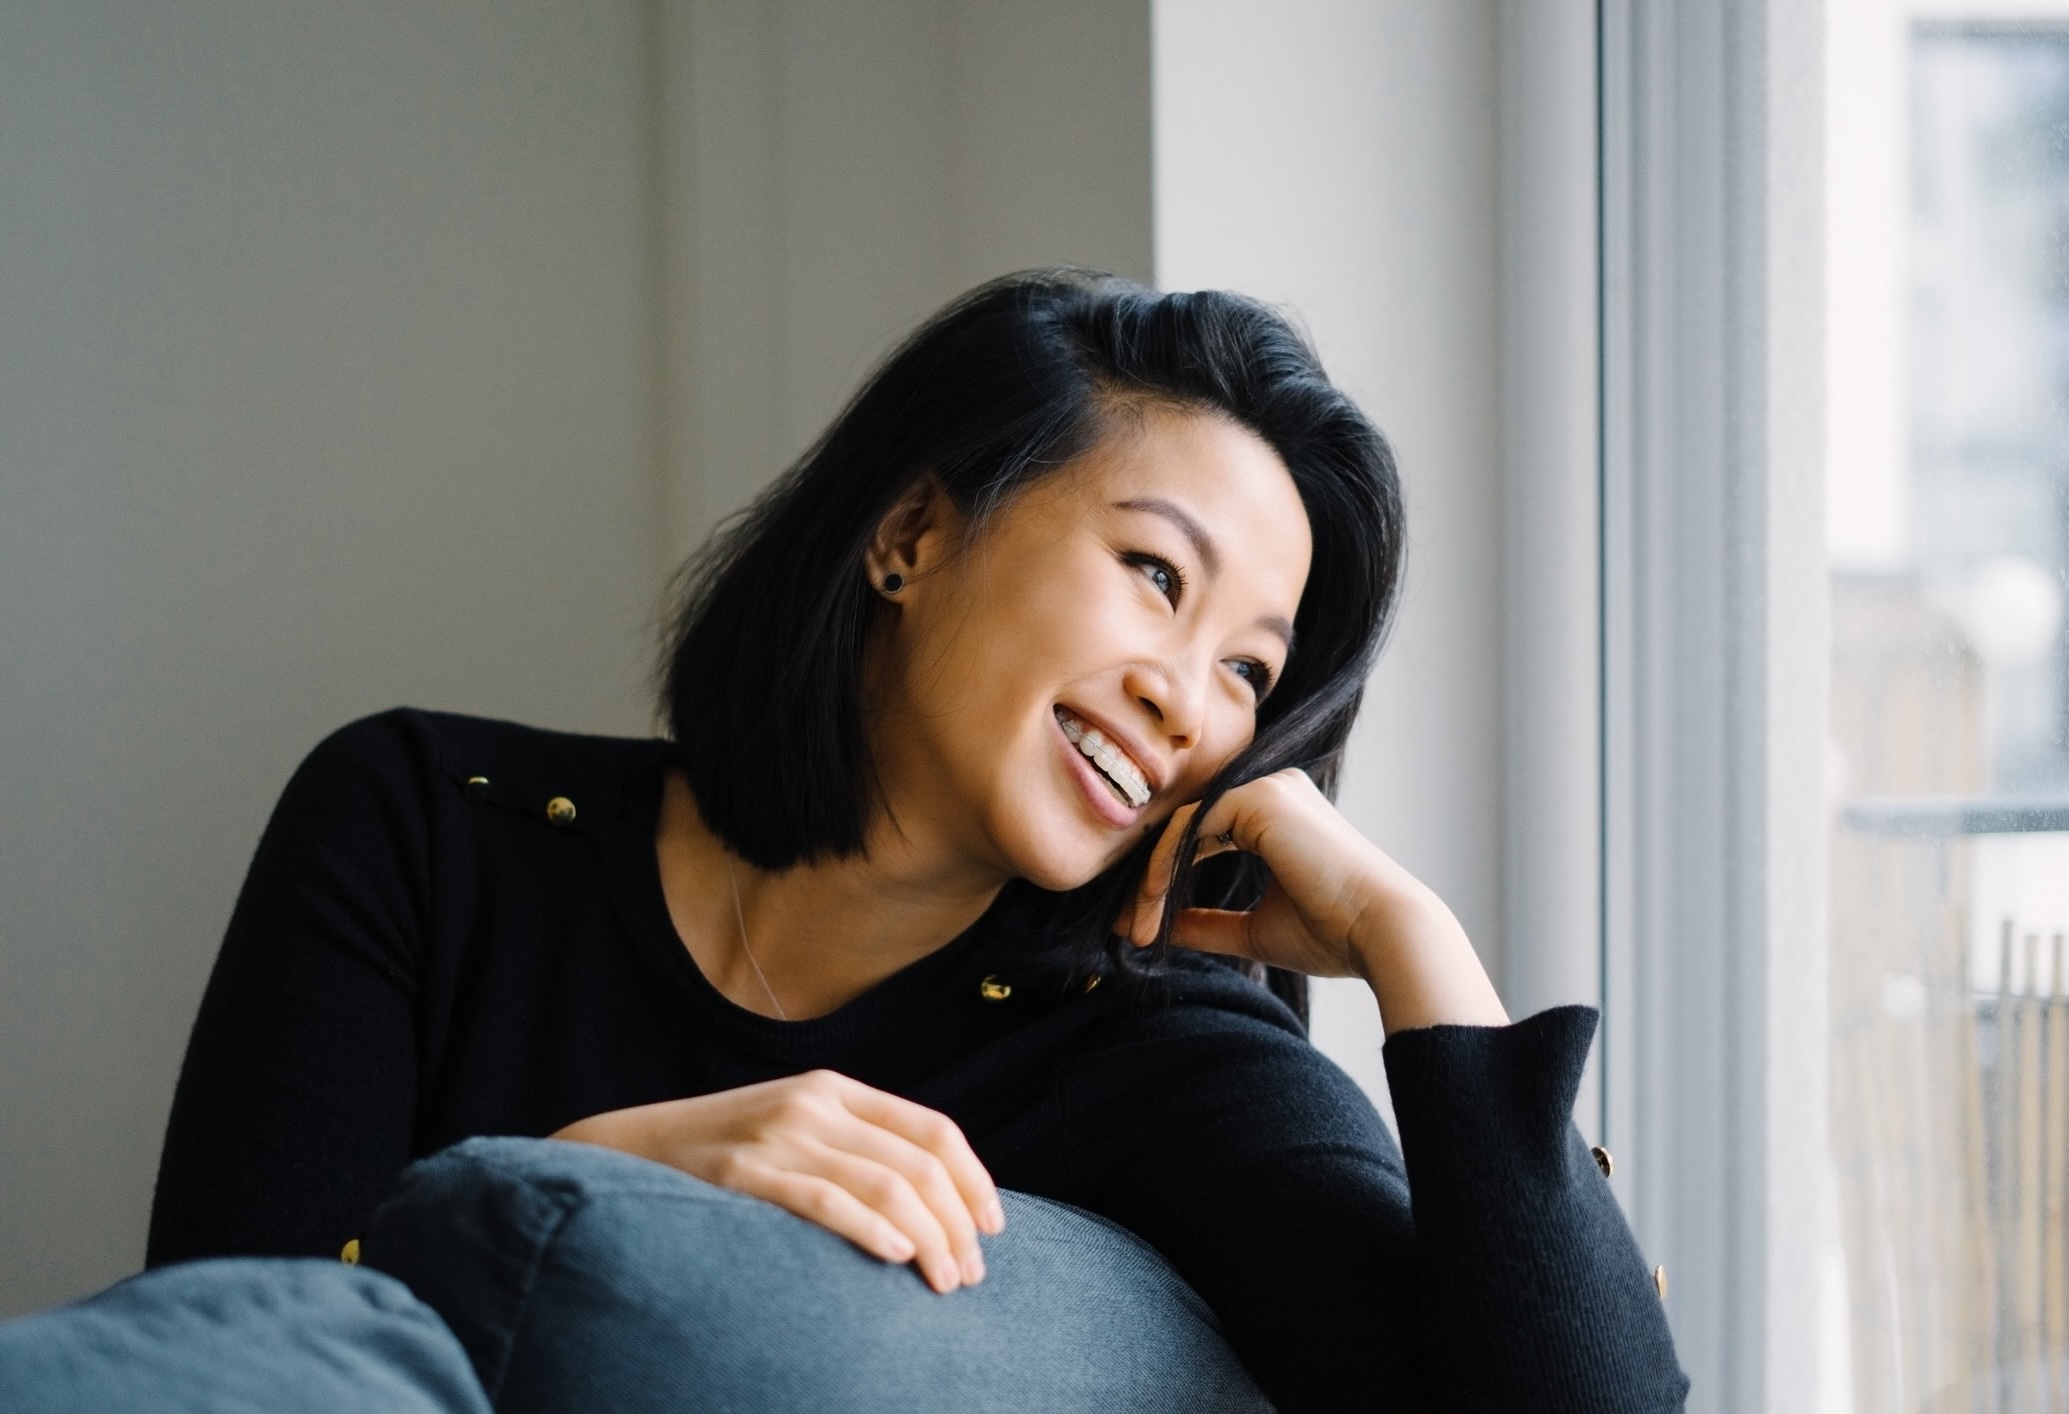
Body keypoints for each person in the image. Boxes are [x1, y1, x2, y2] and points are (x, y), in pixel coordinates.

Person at [147, 270, 1689, 1411]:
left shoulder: (1149, 1046)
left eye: (1249, 670)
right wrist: (575, 1181)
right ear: (911, 537)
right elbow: (212, 1339)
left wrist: (1402, 939)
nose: (1186, 700)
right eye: (1157, 574)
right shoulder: (422, 826)